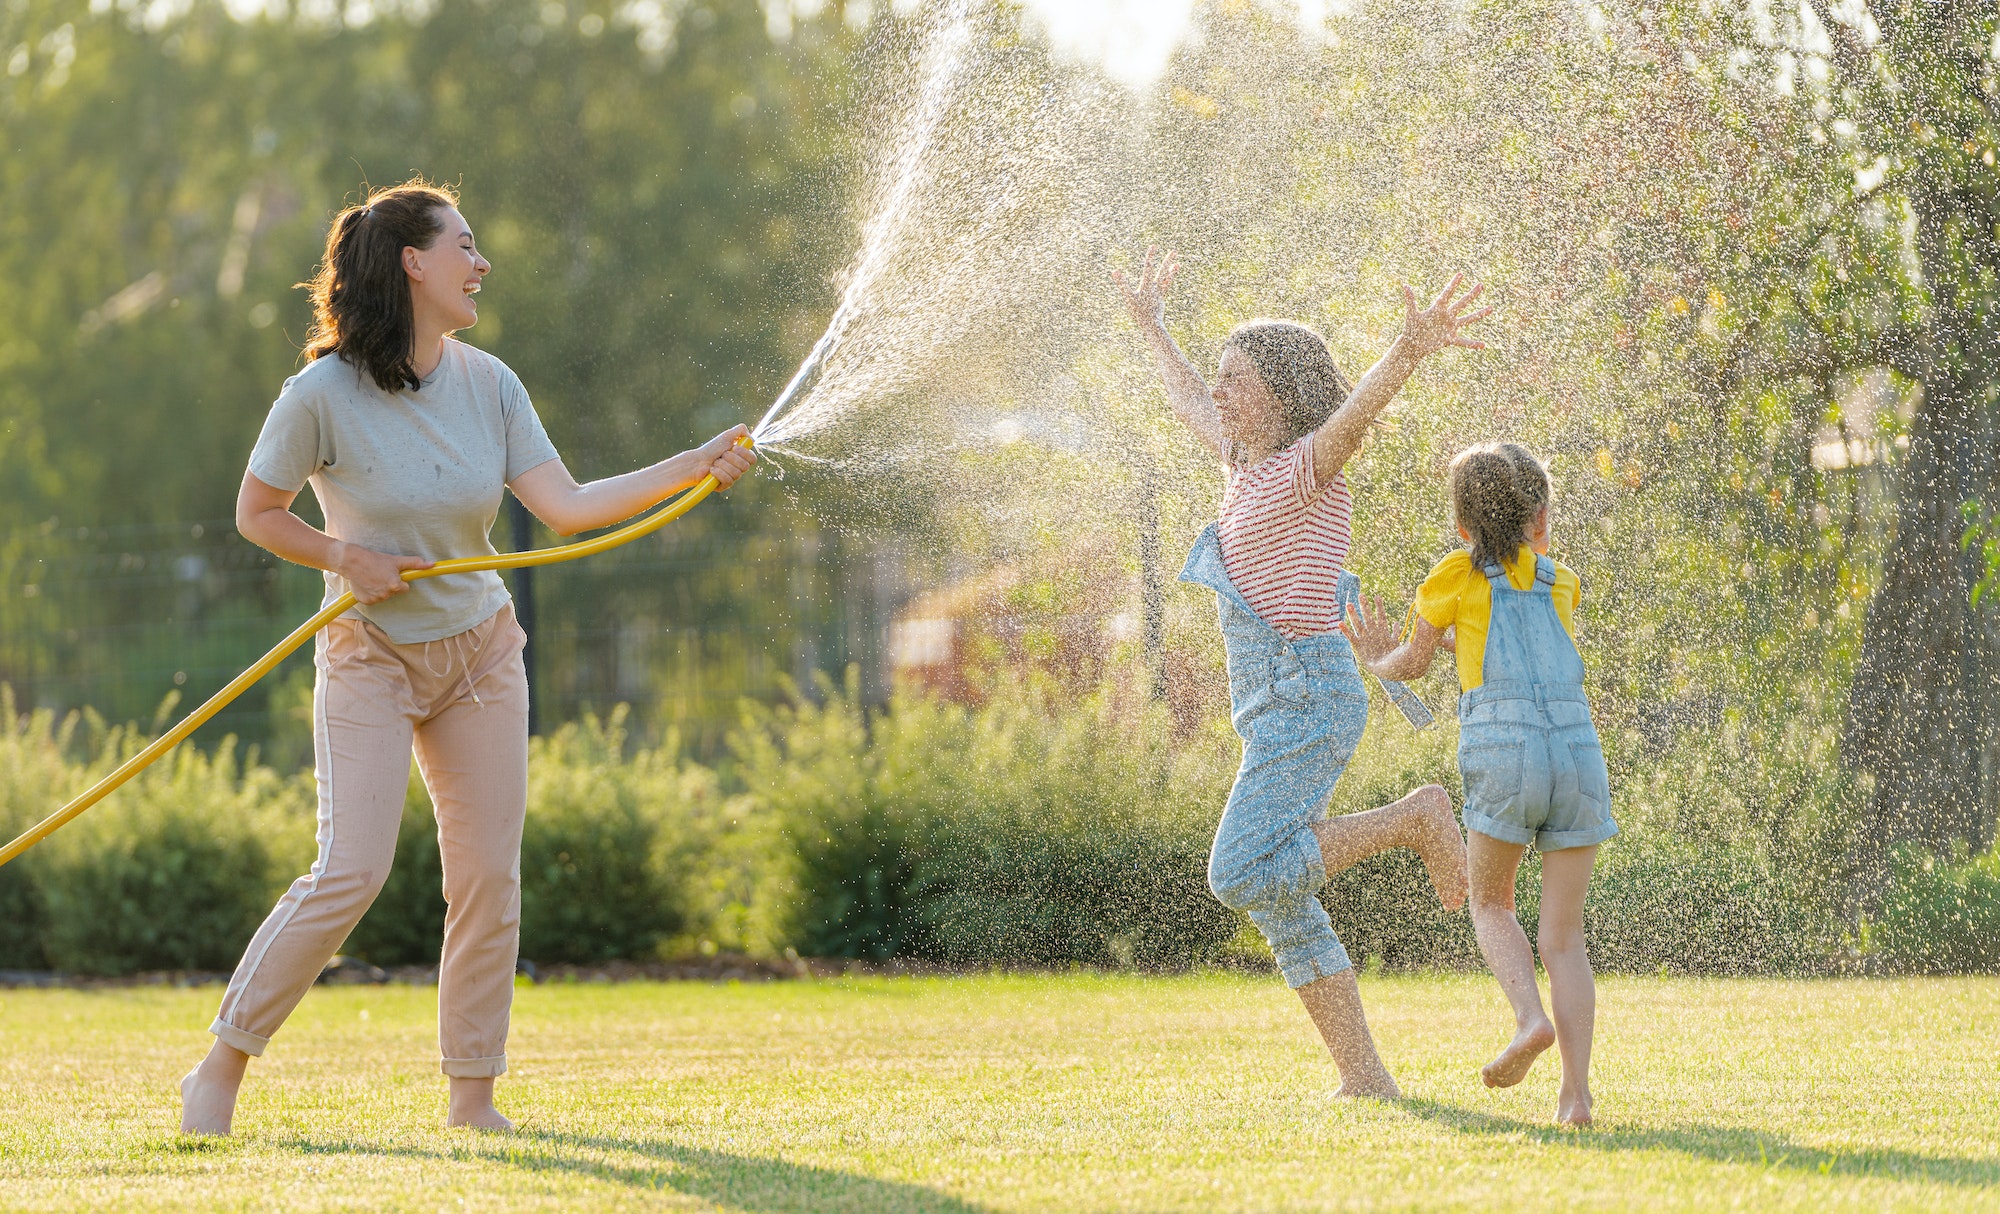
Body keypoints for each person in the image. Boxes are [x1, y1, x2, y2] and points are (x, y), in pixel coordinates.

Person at [179, 179, 757, 1135]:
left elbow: (566, 507)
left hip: (482, 654)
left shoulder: (491, 384)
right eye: (464, 246)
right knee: (350, 871)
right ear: (414, 261)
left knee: (488, 875)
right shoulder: (319, 393)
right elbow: (257, 515)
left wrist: (697, 462)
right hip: (370, 655)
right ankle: (222, 1066)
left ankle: (472, 1100)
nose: (480, 263)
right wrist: (344, 557)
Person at [1113, 249, 1486, 1098]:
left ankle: (1413, 818)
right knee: (1284, 904)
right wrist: (1150, 325)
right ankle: (1365, 1077)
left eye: (1234, 379)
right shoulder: (1241, 468)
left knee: (1239, 870)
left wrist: (1407, 351)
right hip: (1278, 707)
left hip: (1307, 698)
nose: (1218, 393)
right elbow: (1183, 402)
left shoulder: (1301, 472)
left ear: (1279, 397)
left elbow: (1350, 421)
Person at [1342, 441, 1615, 1126]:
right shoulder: (1561, 581)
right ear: (1540, 518)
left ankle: (1529, 1019)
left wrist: (1377, 657)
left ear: (1464, 527)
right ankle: (1576, 1097)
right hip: (1578, 753)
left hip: (1504, 752)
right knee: (1566, 938)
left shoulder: (1454, 576)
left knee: (1492, 904)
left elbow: (1413, 662)